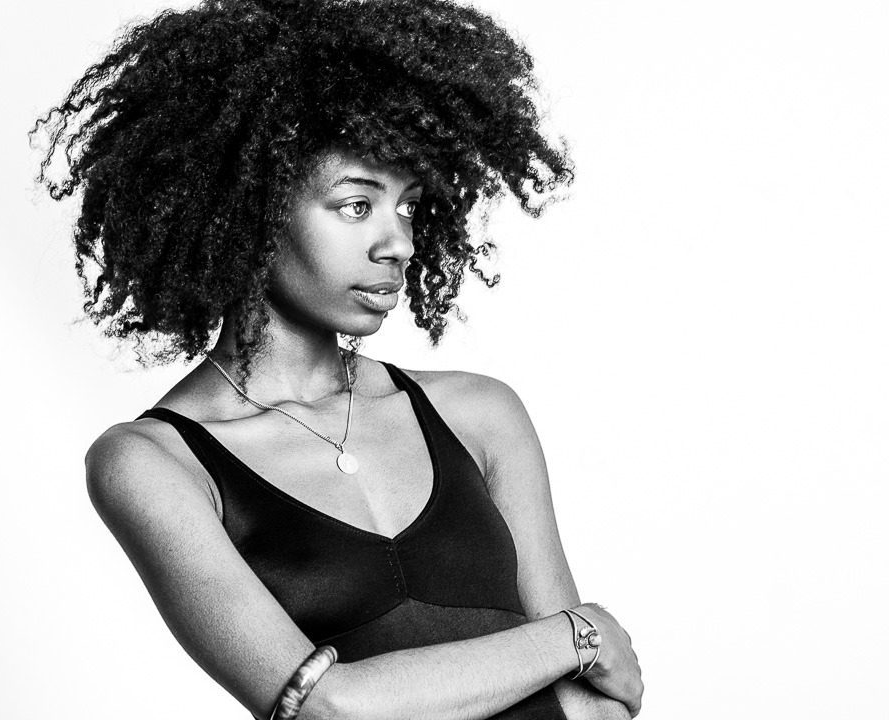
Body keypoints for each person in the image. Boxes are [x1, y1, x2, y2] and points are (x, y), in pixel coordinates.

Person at [33, 0, 644, 717]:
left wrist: (569, 652)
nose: (399, 244)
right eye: (357, 206)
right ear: (252, 210)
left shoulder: (478, 414)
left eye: (408, 207)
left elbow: (598, 704)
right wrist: (576, 634)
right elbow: (332, 711)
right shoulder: (153, 464)